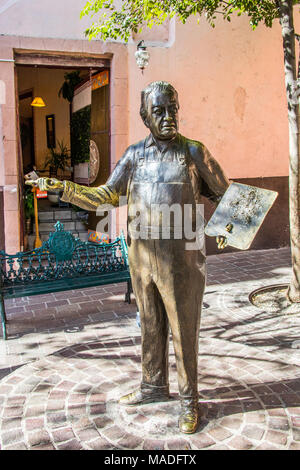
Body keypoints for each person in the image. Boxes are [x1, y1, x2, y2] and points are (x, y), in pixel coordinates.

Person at [27, 81, 229, 434]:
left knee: (183, 331)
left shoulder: (193, 153)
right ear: (144, 117)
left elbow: (227, 194)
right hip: (142, 259)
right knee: (150, 325)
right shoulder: (134, 155)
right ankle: (152, 386)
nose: (168, 118)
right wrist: (64, 189)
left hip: (182, 262)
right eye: (159, 111)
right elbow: (105, 196)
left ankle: (188, 399)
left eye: (173, 109)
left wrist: (230, 230)